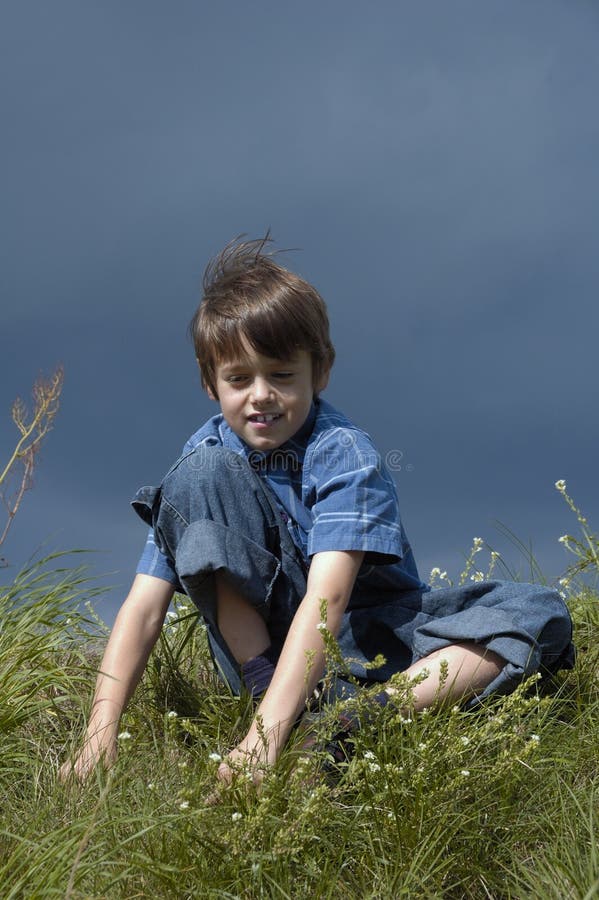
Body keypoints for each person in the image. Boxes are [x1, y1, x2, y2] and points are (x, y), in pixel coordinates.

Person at [61, 235, 574, 786]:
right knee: (197, 474)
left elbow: (329, 598)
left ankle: (349, 722)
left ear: (320, 372)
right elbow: (142, 609)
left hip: (371, 640)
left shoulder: (344, 454)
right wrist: (99, 735)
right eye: (238, 378)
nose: (260, 395)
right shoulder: (202, 462)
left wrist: (265, 741)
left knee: (538, 613)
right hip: (264, 652)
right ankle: (274, 706)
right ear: (210, 382)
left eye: (282, 375)